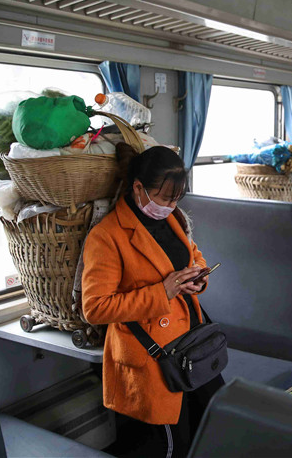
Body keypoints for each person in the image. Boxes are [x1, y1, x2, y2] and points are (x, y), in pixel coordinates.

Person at [82, 146, 222, 458]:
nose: (170, 206)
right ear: (138, 188)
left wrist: (198, 278)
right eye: (165, 198)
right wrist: (163, 292)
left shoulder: (175, 219)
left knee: (210, 424)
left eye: (176, 199)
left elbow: (193, 255)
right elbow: (96, 307)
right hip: (153, 355)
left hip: (190, 342)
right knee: (172, 445)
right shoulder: (107, 236)